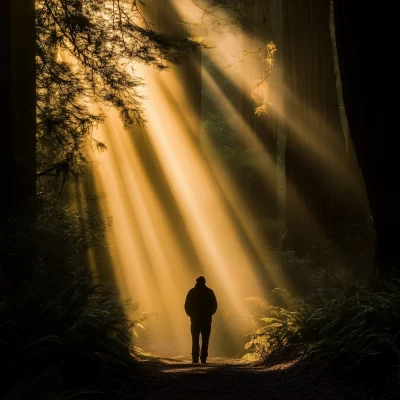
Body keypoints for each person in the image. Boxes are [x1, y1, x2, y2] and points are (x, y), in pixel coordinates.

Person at [184, 276, 218, 364]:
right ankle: (203, 359)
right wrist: (209, 314)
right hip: (206, 320)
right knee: (205, 340)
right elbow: (214, 306)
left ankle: (195, 358)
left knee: (195, 339)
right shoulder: (209, 292)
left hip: (195, 320)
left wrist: (191, 315)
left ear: (196, 282)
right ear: (205, 282)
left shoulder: (191, 292)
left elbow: (186, 306)